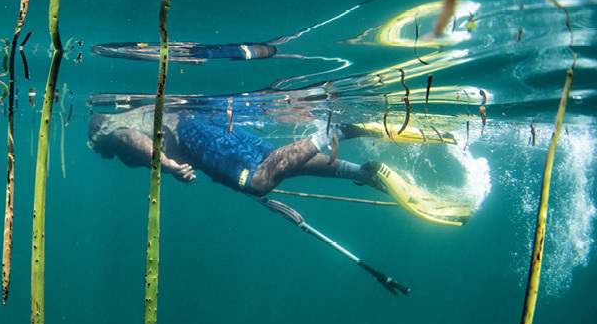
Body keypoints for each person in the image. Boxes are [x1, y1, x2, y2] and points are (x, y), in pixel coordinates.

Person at [88, 103, 471, 226]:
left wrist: (169, 165)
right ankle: (362, 172)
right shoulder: (128, 117)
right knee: (282, 162)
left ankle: (339, 131)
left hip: (192, 133)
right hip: (208, 122)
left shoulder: (109, 132)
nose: (102, 156)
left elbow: (130, 141)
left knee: (260, 180)